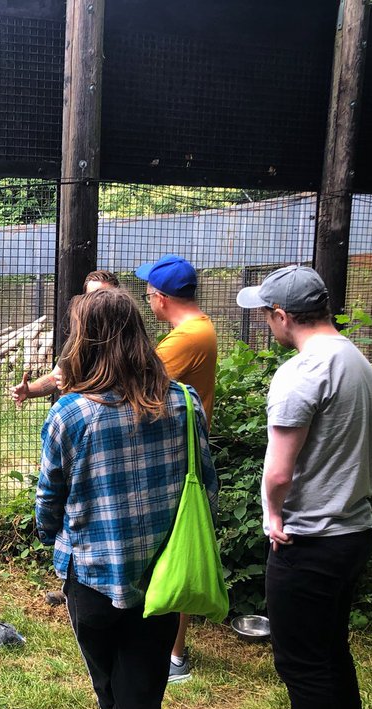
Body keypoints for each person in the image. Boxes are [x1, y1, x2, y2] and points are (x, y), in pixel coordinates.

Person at [36, 287, 216, 709]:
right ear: (140, 336)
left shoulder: (71, 413)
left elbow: (50, 497)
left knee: (114, 687)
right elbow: (205, 487)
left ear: (84, 342)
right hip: (164, 578)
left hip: (91, 577)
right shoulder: (185, 403)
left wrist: (50, 538)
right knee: (141, 688)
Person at [233, 266, 372, 709]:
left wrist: (272, 516)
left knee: (303, 666)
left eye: (265, 313)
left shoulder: (302, 372)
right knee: (331, 652)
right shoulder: (355, 360)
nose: (264, 321)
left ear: (282, 316)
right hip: (351, 532)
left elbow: (278, 472)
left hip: (308, 539)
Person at [134, 254, 218, 684]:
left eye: (148, 293)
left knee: (176, 551)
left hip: (178, 456)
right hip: (181, 451)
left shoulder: (185, 339)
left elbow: (133, 380)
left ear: (160, 298)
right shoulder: (199, 327)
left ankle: (174, 656)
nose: (147, 299)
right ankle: (168, 648)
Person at [10, 270, 120, 406]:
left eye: (105, 295)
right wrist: (29, 390)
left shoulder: (130, 338)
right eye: (92, 296)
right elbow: (55, 377)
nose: (98, 302)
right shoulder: (80, 339)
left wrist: (79, 388)